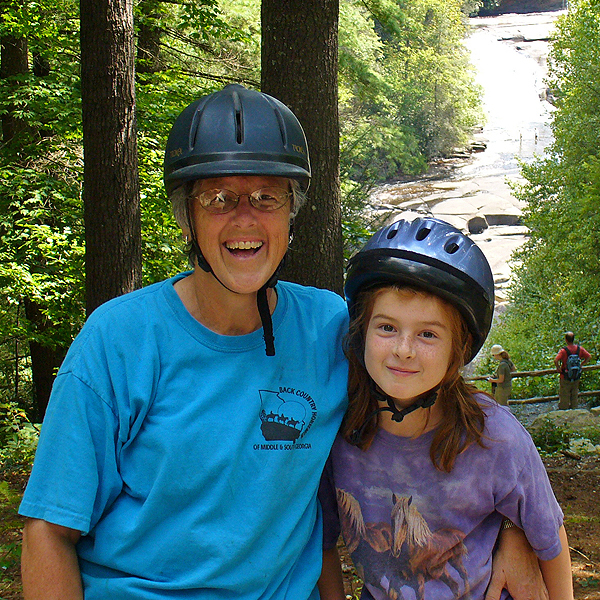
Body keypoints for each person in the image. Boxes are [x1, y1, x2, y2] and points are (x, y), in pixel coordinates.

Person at [19, 85, 545, 600]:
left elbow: (433, 406)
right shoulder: (119, 341)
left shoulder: (331, 329)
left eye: (267, 197)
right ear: (188, 216)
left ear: (291, 213)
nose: (245, 218)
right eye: (220, 198)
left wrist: (513, 527)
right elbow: (50, 531)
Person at [319, 217, 572, 600]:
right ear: (361, 331)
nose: (404, 349)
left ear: (458, 348)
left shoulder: (497, 440)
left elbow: (548, 536)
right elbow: (323, 542)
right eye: (386, 327)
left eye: (428, 334)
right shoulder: (337, 435)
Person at [554, 332, 590, 410]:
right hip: (576, 376)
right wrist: (581, 365)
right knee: (574, 395)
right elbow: (588, 356)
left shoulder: (564, 350)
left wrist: (558, 368)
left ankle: (564, 412)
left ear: (566, 340)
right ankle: (575, 411)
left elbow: (556, 360)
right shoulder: (579, 349)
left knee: (564, 395)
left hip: (565, 376)